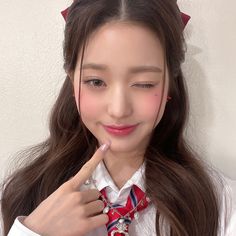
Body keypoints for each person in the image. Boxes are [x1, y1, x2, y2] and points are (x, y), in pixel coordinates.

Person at [1, 0, 235, 235]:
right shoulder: (23, 195)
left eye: (144, 84)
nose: (119, 109)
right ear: (72, 81)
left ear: (169, 87)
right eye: (96, 82)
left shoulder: (222, 205)